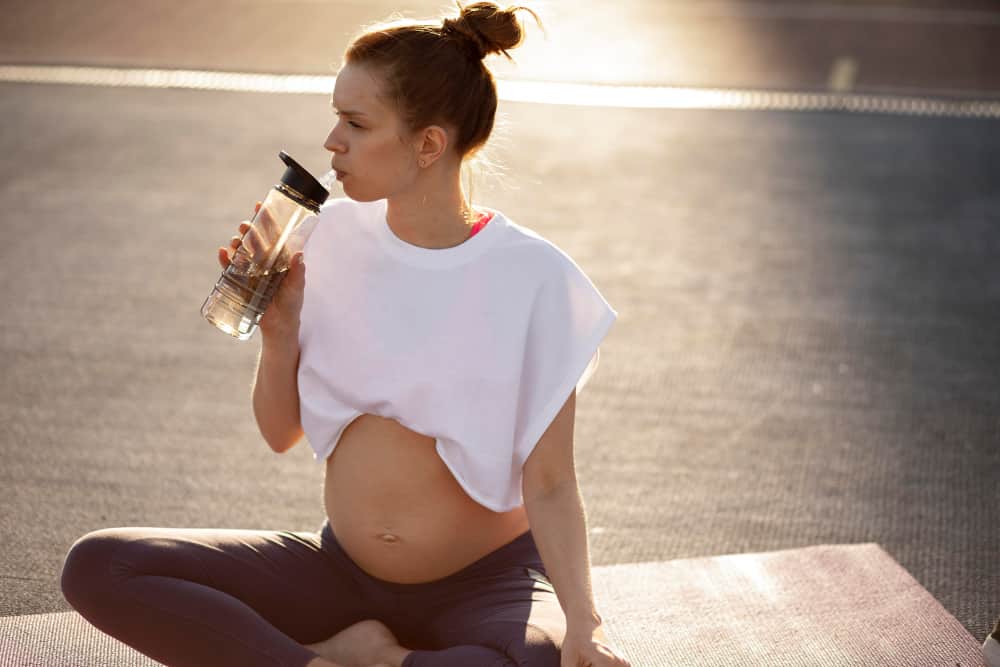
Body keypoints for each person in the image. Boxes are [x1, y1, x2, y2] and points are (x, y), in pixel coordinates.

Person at [60, 3, 628, 666]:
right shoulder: (321, 238)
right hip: (341, 574)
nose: (332, 141)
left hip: (486, 584)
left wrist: (585, 623)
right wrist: (280, 332)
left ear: (428, 144)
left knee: (528, 659)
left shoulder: (535, 277)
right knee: (101, 566)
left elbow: (552, 482)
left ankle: (368, 659)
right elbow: (280, 433)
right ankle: (328, 658)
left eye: (356, 124)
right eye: (336, 117)